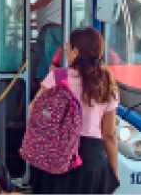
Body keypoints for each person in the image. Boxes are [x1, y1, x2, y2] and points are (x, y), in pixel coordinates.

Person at [29, 27, 120, 194]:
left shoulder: (58, 77)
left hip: (57, 155)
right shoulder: (108, 83)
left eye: (68, 48)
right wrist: (114, 171)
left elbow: (33, 111)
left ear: (76, 51)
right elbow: (109, 135)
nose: (66, 52)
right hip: (91, 158)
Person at [31, 0, 63, 86]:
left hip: (50, 30)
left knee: (44, 66)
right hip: (54, 29)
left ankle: (42, 95)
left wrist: (31, 7)